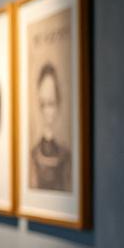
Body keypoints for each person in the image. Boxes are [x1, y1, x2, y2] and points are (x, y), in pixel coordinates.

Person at [30, 62, 71, 190]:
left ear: (58, 104)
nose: (47, 111)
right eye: (43, 104)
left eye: (51, 103)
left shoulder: (65, 155)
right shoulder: (34, 154)